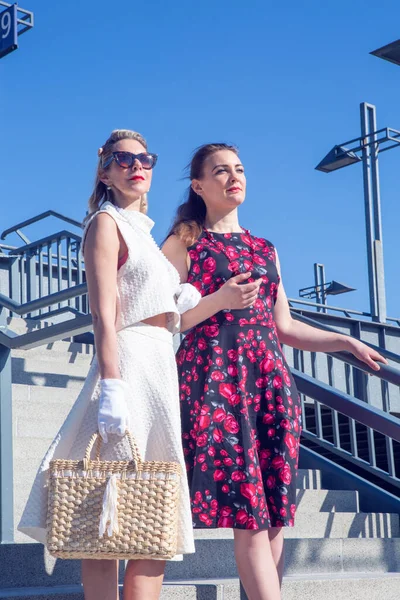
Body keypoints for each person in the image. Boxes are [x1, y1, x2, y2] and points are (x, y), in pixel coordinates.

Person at [162, 142, 386, 600]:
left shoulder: (265, 248)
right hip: (214, 385)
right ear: (198, 185)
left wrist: (344, 340)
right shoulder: (183, 242)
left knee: (275, 513)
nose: (232, 177)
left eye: (239, 169)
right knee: (249, 513)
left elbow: (283, 326)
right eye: (220, 171)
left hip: (269, 384)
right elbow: (163, 321)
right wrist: (218, 300)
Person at [19, 129, 202, 600]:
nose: (136, 165)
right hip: (131, 363)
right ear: (105, 169)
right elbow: (104, 312)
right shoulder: (105, 223)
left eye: (146, 158)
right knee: (108, 509)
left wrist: (178, 298)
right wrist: (113, 386)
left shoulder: (144, 231)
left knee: (154, 516)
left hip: (161, 365)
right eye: (123, 159)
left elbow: (152, 300)